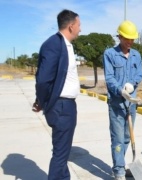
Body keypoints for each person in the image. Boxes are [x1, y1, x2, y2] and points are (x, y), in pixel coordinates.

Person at [32, 9, 81, 179]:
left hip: (66, 105)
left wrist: (41, 100)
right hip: (61, 106)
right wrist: (44, 101)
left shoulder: (66, 45)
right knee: (60, 155)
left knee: (63, 151)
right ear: (70, 26)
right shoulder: (53, 44)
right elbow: (43, 79)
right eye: (78, 25)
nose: (80, 29)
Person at [103, 20, 142, 180]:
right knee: (118, 139)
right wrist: (121, 91)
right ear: (119, 37)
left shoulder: (136, 55)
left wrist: (132, 85)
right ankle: (119, 171)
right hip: (116, 104)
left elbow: (139, 74)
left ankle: (122, 163)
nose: (130, 42)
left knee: (127, 137)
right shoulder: (110, 54)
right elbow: (109, 78)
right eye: (127, 38)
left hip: (131, 104)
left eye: (132, 39)